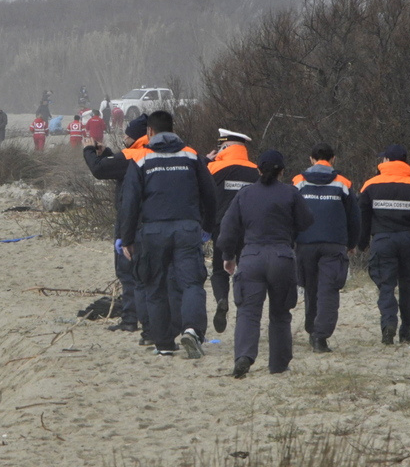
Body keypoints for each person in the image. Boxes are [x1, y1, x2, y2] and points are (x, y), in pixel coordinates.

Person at [119, 111, 216, 358]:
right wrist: (207, 226)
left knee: (155, 285)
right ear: (173, 129)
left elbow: (130, 202)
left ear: (149, 132)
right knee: (192, 282)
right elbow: (210, 194)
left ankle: (163, 343)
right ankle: (192, 330)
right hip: (187, 229)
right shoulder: (191, 155)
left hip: (153, 231)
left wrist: (127, 238)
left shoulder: (141, 159)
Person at [218, 150, 314, 378]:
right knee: (280, 314)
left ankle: (244, 356)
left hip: (251, 257)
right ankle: (279, 364)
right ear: (282, 171)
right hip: (282, 257)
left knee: (248, 312)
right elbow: (307, 221)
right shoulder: (290, 193)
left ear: (258, 170)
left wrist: (229, 256)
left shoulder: (244, 194)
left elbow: (228, 230)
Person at [357, 144, 410, 345]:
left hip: (383, 241)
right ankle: (408, 333)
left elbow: (363, 218)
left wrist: (361, 243)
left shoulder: (370, 185)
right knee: (409, 286)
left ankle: (388, 325)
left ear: (386, 161)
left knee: (386, 286)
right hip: (409, 241)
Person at [83, 114, 152, 342]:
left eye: (127, 134)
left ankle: (130, 319)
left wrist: (89, 152)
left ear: (137, 136)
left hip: (130, 222)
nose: (124, 137)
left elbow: (101, 171)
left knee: (127, 271)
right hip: (155, 222)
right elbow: (117, 165)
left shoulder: (133, 154)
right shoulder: (155, 152)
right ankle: (149, 318)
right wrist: (109, 154)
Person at [292, 143, 360, 353]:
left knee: (311, 288)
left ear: (311, 159)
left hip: (305, 244)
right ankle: (320, 337)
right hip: (334, 244)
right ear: (333, 159)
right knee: (329, 290)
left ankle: (312, 328)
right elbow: (354, 217)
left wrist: (291, 240)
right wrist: (352, 243)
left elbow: (289, 211)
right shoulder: (343, 183)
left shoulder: (298, 181)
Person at [206, 129, 259, 334]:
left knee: (220, 270)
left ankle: (222, 300)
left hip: (221, 227)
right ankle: (243, 308)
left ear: (226, 147)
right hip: (250, 229)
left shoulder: (214, 168)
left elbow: (204, 196)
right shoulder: (257, 171)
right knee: (244, 271)